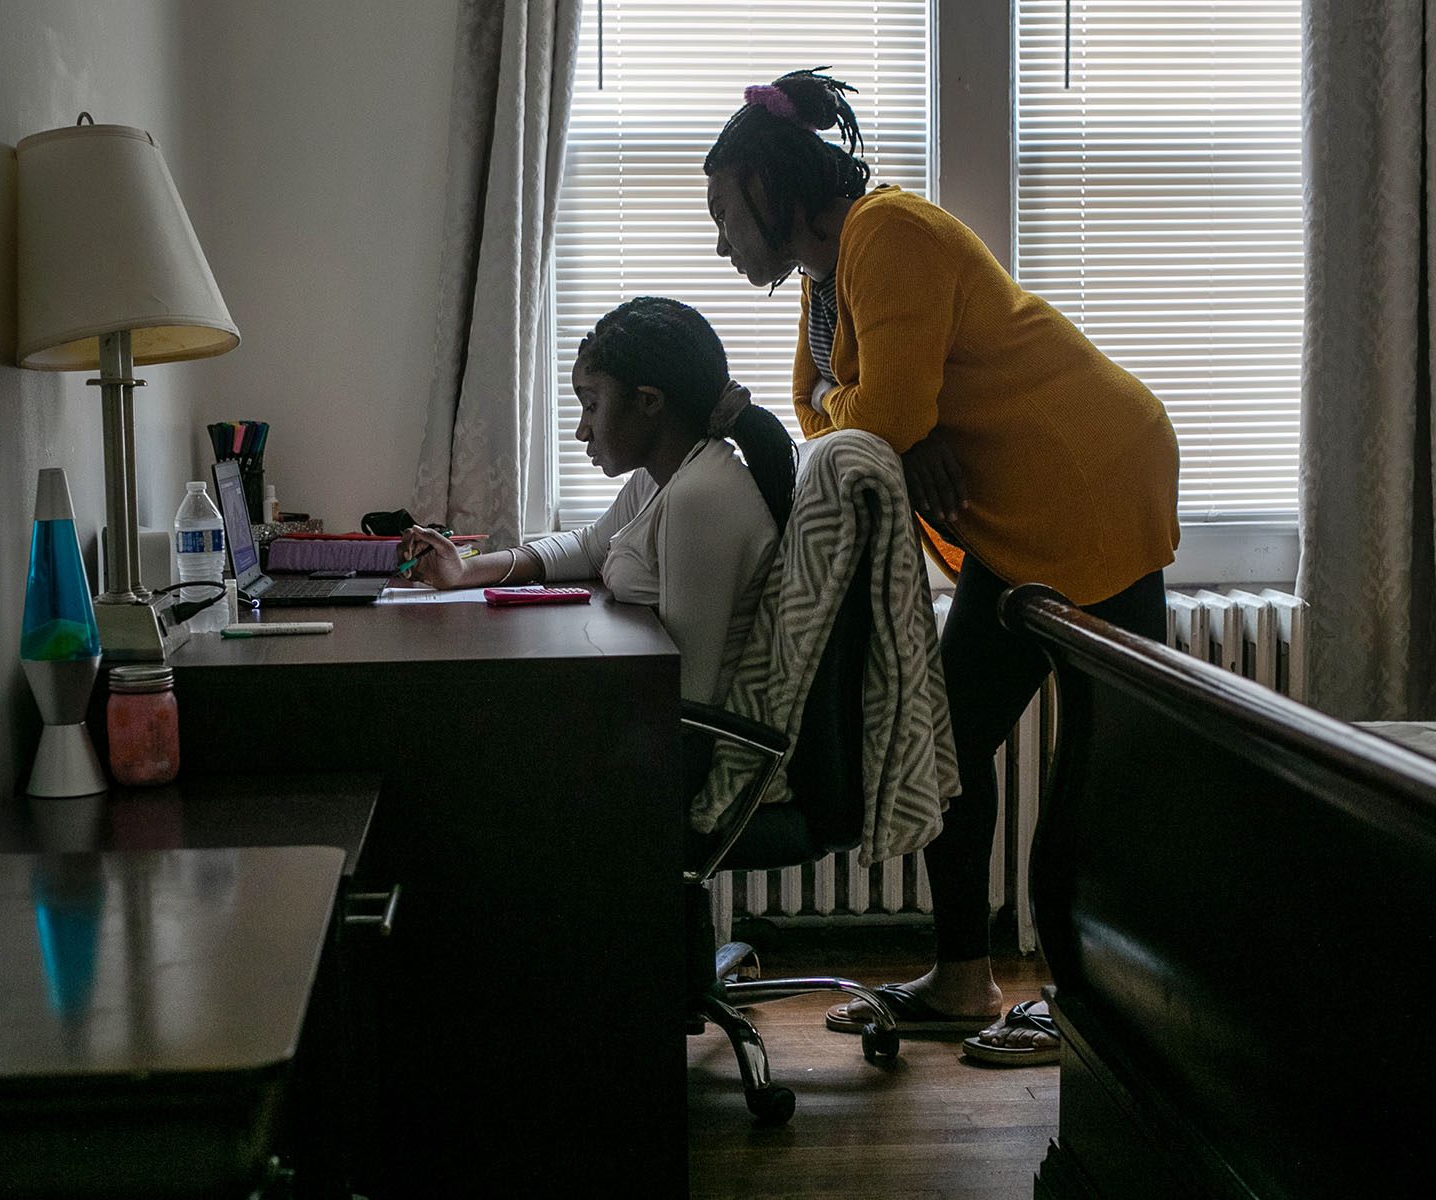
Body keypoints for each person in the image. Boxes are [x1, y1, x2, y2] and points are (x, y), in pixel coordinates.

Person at [703, 69, 1180, 1064]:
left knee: (1116, 767)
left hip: (1091, 483)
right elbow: (831, 417)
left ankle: (1099, 1007)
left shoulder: (890, 234)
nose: (720, 242)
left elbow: (875, 415)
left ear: (764, 185)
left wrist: (894, 422)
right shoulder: (828, 280)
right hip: (1020, 526)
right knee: (947, 752)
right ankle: (966, 978)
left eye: (722, 215)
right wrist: (890, 422)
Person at [399, 295, 797, 709]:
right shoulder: (661, 479)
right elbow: (590, 547)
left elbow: (687, 693)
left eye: (592, 405)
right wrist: (464, 571)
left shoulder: (700, 497)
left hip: (683, 741)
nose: (581, 430)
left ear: (648, 401)